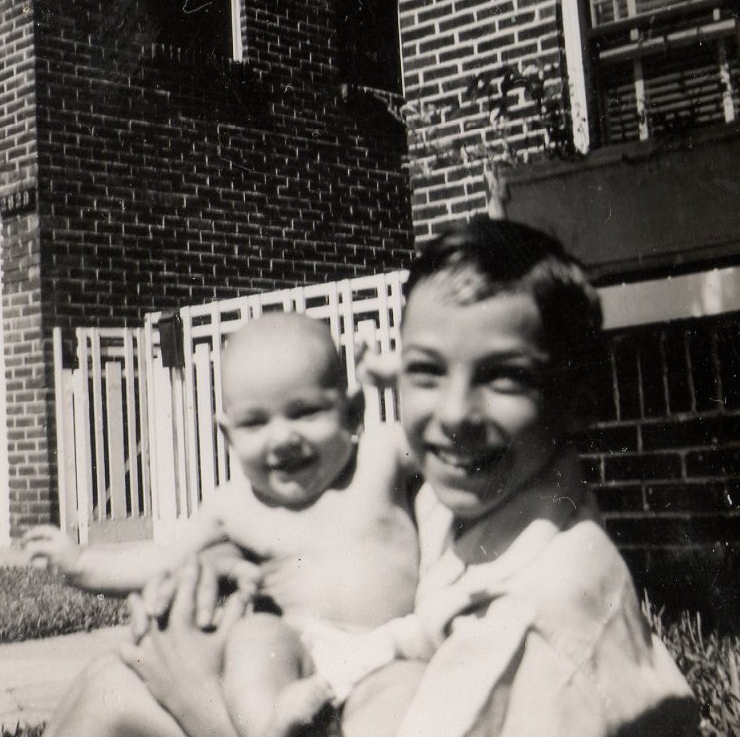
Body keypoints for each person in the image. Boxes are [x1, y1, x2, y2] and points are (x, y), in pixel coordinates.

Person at [45, 218, 699, 737]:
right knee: (124, 679)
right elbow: (172, 555)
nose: (453, 415)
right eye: (428, 371)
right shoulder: (487, 498)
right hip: (319, 659)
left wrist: (197, 702)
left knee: (120, 696)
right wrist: (109, 567)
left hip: (379, 680)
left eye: (503, 377)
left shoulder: (530, 624)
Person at [26, 313, 420, 737]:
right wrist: (81, 564)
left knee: (398, 700)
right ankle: (268, 726)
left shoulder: (381, 455)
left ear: (353, 412)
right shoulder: (234, 506)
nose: (282, 438)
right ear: (228, 436)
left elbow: (443, 430)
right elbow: (164, 560)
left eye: (305, 412)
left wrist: (402, 374)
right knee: (256, 637)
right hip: (298, 659)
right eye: (255, 423)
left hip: (393, 647)